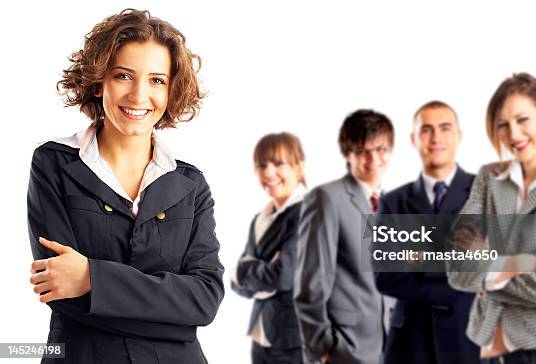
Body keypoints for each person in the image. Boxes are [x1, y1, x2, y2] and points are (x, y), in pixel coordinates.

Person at [27, 9, 224, 363]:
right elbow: (60, 290)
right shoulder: (54, 164)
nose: (138, 94)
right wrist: (177, 322)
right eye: (123, 75)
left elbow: (205, 299)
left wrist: (92, 278)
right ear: (99, 79)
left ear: (171, 90)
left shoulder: (191, 184)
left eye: (156, 80)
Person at [447, 73, 536, 364]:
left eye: (522, 119)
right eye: (503, 124)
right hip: (488, 350)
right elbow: (456, 267)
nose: (513, 134)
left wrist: (486, 269)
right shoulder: (489, 178)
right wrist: (520, 264)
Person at [374, 101, 479, 364]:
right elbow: (384, 276)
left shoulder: (484, 194)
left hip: (466, 337)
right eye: (426, 130)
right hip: (410, 343)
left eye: (445, 128)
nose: (436, 138)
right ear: (414, 139)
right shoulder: (393, 202)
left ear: (459, 136)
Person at [294, 109, 393, 364]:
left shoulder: (392, 204)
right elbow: (311, 283)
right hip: (344, 350)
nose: (373, 160)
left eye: (381, 149)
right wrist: (325, 348)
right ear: (348, 155)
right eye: (362, 152)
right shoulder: (327, 198)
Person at [231, 132, 306, 364]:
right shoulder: (260, 218)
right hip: (261, 336)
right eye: (262, 165)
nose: (268, 173)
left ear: (299, 167)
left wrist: (247, 271)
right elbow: (236, 282)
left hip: (294, 341)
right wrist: (249, 273)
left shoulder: (308, 214)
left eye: (278, 163)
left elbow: (283, 276)